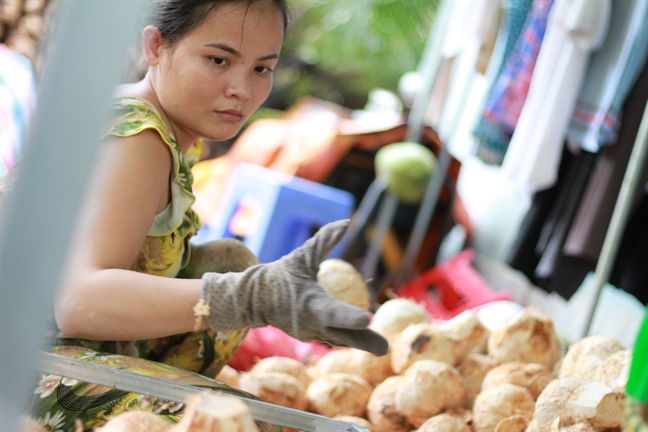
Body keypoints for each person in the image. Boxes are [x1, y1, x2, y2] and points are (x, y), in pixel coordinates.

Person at [30, 0, 387, 429]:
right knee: (239, 421)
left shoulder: (170, 131)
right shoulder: (138, 139)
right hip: (19, 360)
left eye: (261, 69)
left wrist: (253, 292)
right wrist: (251, 297)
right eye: (219, 60)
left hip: (57, 345)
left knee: (230, 261)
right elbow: (79, 301)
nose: (242, 88)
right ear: (156, 46)